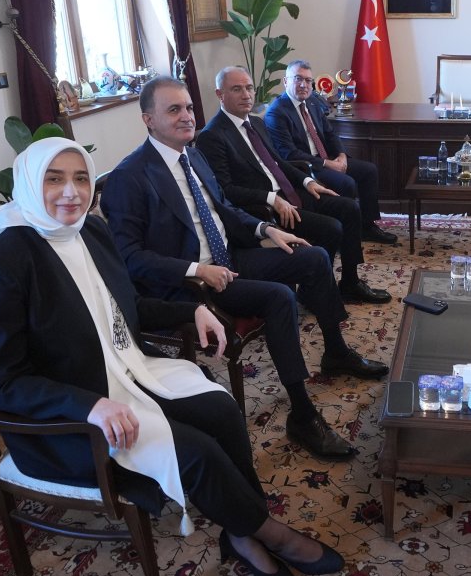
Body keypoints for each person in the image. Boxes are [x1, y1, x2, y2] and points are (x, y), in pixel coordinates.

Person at [0, 138, 346, 576]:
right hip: (68, 418)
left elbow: (126, 305)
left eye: (81, 178)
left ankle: (241, 529)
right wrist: (92, 406)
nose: (71, 192)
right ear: (29, 184)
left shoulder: (91, 231)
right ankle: (265, 533)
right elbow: (5, 383)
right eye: (54, 179)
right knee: (196, 452)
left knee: (221, 408)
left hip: (124, 371)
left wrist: (193, 309)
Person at [101, 77, 389, 463]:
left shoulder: (193, 154)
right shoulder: (129, 177)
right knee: (280, 297)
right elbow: (129, 256)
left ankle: (335, 351)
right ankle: (302, 415)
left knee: (315, 255)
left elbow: (224, 211)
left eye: (188, 107)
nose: (187, 116)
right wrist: (197, 270)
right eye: (174, 110)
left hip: (230, 257)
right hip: (191, 283)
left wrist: (265, 228)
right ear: (148, 119)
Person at [198, 66, 391, 304]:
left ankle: (349, 282)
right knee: (331, 228)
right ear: (220, 94)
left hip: (289, 192)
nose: (246, 95)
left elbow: (278, 162)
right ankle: (314, 289)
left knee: (349, 209)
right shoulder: (212, 135)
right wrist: (271, 199)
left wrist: (308, 181)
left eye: (249, 88)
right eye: (236, 89)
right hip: (264, 207)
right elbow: (225, 190)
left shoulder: (256, 123)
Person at [265, 60, 397, 245]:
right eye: (298, 79)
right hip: (307, 167)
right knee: (347, 183)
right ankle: (343, 233)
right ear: (286, 82)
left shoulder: (311, 102)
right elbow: (289, 154)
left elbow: (330, 133)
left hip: (326, 158)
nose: (304, 85)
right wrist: (328, 164)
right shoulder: (277, 112)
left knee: (369, 170)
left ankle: (367, 227)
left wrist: (341, 155)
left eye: (308, 80)